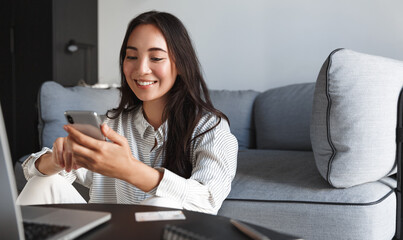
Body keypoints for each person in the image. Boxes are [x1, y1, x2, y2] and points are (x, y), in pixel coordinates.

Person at [17, 11, 238, 214]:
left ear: (179, 64)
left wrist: (129, 169)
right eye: (131, 56)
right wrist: (56, 160)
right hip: (104, 232)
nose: (141, 69)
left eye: (156, 57)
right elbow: (30, 170)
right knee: (44, 181)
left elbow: (208, 199)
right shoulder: (110, 126)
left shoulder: (210, 128)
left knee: (162, 204)